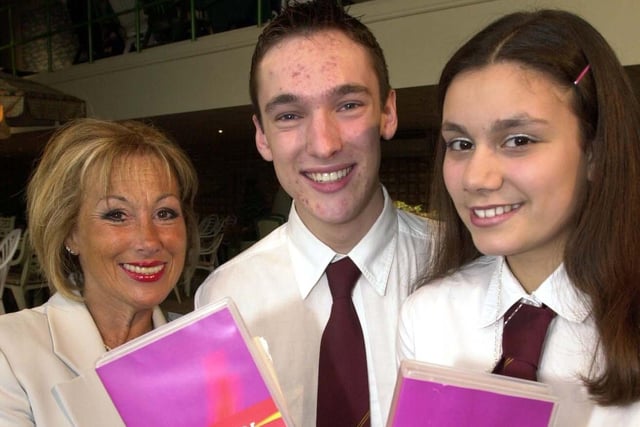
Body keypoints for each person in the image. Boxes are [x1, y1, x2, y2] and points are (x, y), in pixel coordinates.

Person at [195, 1, 434, 425]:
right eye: (289, 115)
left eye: (348, 105)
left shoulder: (457, 265)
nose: (324, 145)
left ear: (388, 112)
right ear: (263, 138)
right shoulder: (223, 301)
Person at [397, 9, 640, 426]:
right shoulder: (430, 314)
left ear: (595, 152)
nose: (476, 177)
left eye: (518, 140)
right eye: (460, 143)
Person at [0, 118, 199, 425]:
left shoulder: (205, 351)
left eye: (165, 213)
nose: (148, 240)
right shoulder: (9, 352)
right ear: (70, 233)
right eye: (117, 214)